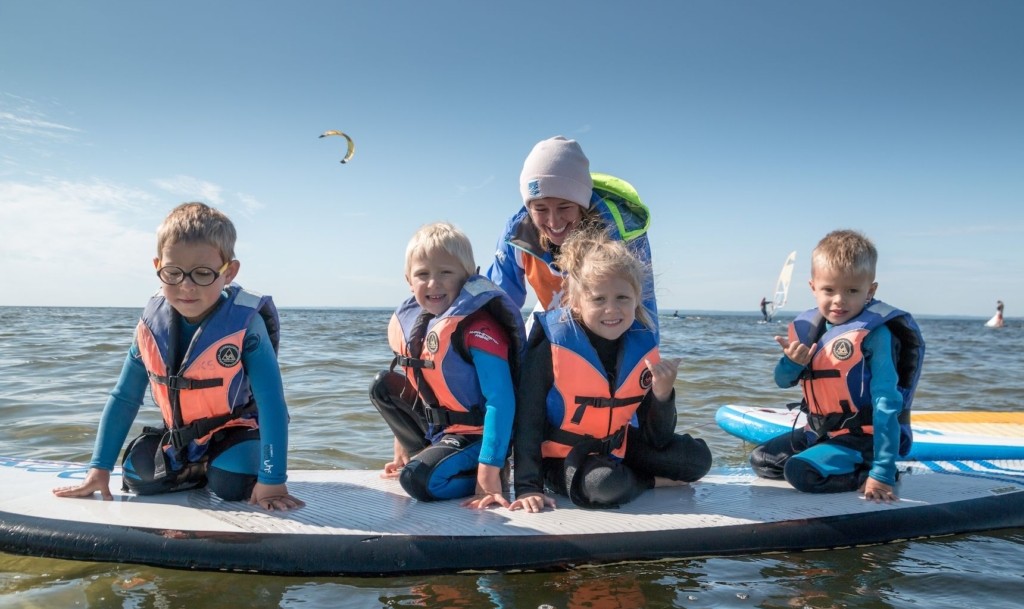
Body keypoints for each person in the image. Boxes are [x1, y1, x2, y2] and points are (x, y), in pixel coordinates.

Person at [52, 202, 304, 511]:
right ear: (158, 266)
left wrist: (272, 479)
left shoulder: (246, 325)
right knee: (138, 477)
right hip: (185, 437)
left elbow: (272, 404)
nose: (186, 286)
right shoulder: (149, 328)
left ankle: (222, 469)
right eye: (173, 272)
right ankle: (197, 469)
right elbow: (124, 397)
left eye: (202, 273)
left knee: (230, 483)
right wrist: (99, 468)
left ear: (229, 272)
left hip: (238, 430)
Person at [509, 227, 712, 512]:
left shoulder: (640, 346)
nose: (612, 310)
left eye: (622, 298)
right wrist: (527, 487)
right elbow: (527, 421)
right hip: (561, 458)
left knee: (698, 459)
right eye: (599, 299)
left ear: (637, 299)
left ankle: (632, 476)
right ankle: (649, 482)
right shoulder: (550, 345)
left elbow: (658, 438)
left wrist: (662, 396)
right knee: (605, 485)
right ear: (576, 302)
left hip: (618, 448)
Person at [749, 229, 925, 502]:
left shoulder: (876, 335)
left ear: (871, 291)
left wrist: (883, 471)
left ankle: (866, 470)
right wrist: (793, 363)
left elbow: (886, 404)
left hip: (863, 438)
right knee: (762, 459)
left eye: (852, 291)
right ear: (813, 287)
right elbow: (782, 381)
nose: (839, 300)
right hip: (820, 432)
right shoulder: (810, 330)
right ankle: (830, 458)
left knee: (799, 472)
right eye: (829, 290)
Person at [369, 222, 526, 507]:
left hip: (476, 435)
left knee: (416, 480)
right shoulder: (420, 323)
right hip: (440, 430)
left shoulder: (479, 328)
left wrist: (488, 470)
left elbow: (500, 401)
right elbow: (418, 387)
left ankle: (485, 475)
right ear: (408, 280)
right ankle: (420, 454)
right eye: (423, 274)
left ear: (469, 277)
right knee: (382, 385)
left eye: (446, 273)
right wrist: (402, 443)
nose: (433, 283)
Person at [486, 135, 657, 330]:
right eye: (540, 209)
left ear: (581, 204)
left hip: (605, 318)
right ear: (529, 208)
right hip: (553, 310)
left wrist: (647, 360)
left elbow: (644, 314)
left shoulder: (625, 232)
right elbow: (498, 305)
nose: (553, 221)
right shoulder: (516, 234)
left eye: (564, 207)